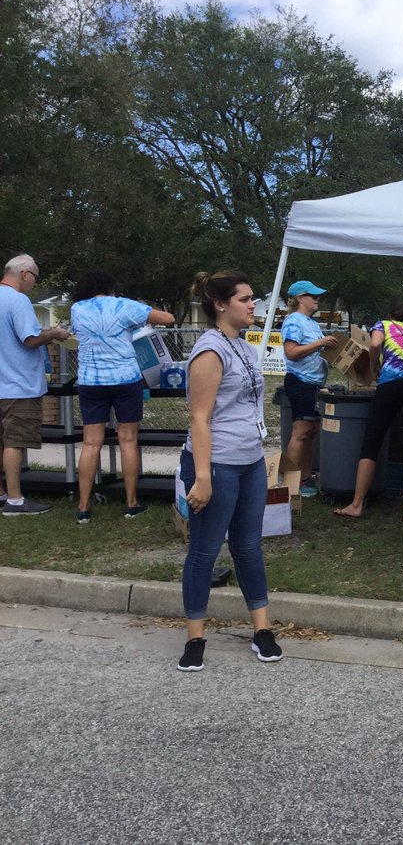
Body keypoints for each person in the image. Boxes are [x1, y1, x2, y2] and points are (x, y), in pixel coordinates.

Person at [177, 270, 282, 672]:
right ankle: (195, 638)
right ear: (221, 304)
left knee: (249, 547)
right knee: (203, 552)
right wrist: (202, 477)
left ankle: (262, 630)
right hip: (215, 464)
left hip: (249, 460)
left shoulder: (242, 344)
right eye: (245, 299)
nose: (253, 304)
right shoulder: (209, 350)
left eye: (253, 298)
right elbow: (199, 419)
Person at [70, 269, 175, 524]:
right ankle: (131, 503)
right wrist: (142, 310)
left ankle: (83, 507)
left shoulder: (77, 309)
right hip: (125, 379)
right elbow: (168, 318)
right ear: (110, 286)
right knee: (128, 440)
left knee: (90, 443)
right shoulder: (124, 305)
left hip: (90, 380)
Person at [335, 302, 403, 518]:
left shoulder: (383, 325)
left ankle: (357, 504)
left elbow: (375, 345)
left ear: (391, 316)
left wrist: (374, 366)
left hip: (392, 384)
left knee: (372, 441)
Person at [1, 254, 71, 517]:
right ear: (25, 274)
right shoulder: (18, 300)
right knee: (14, 442)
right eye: (35, 278)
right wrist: (55, 333)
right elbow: (30, 339)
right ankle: (16, 501)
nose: (34, 283)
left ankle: (1, 495)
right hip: (18, 385)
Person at [281, 280, 338, 497]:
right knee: (301, 431)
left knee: (311, 432)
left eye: (317, 296)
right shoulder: (294, 321)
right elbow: (291, 352)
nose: (317, 299)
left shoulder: (311, 323)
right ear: (299, 299)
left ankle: (304, 478)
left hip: (314, 383)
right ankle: (289, 485)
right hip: (300, 381)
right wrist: (320, 343)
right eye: (312, 296)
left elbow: (312, 351)